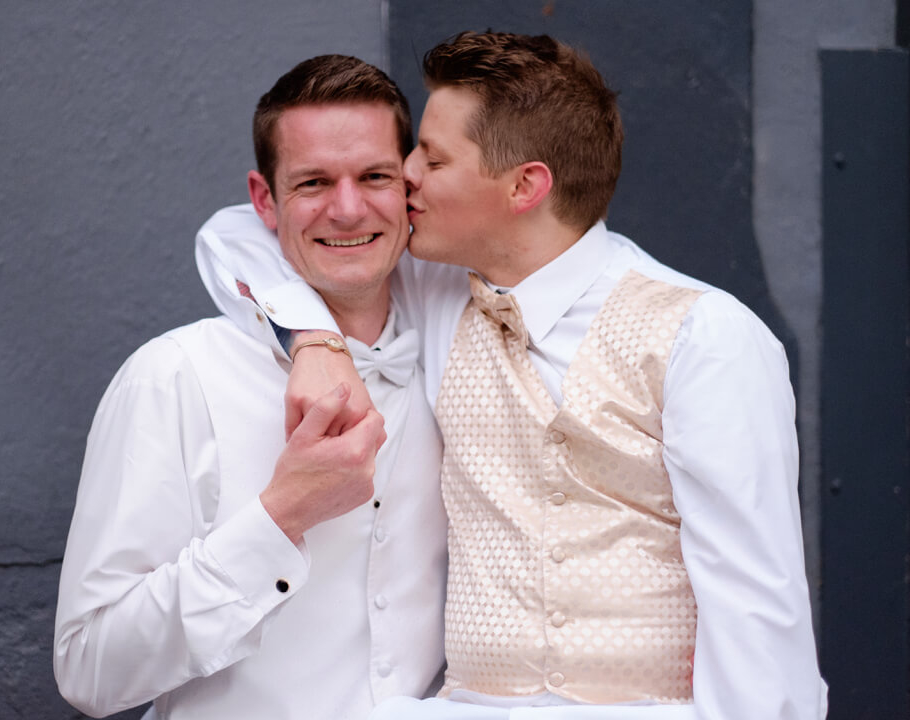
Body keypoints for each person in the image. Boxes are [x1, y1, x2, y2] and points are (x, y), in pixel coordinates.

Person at [195, 31, 828, 719]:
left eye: (431, 159)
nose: (402, 175)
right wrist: (312, 340)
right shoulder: (435, 291)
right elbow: (238, 235)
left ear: (525, 185)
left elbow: (757, 608)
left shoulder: (705, 336)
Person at [53, 54, 448, 720]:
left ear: (408, 185)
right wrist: (281, 516)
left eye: (374, 176)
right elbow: (90, 668)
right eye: (314, 182)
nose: (348, 210)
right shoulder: (174, 377)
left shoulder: (457, 348)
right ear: (264, 200)